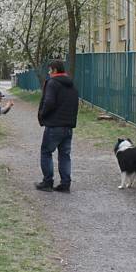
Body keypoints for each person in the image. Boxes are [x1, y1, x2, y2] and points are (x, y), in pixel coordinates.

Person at [36, 59, 79, 192]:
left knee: (46, 152)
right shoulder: (71, 84)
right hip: (68, 126)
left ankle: (47, 182)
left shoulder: (52, 83)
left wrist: (42, 115)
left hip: (54, 125)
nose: (48, 73)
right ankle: (65, 184)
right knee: (65, 155)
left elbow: (49, 102)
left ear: (54, 70)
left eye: (49, 70)